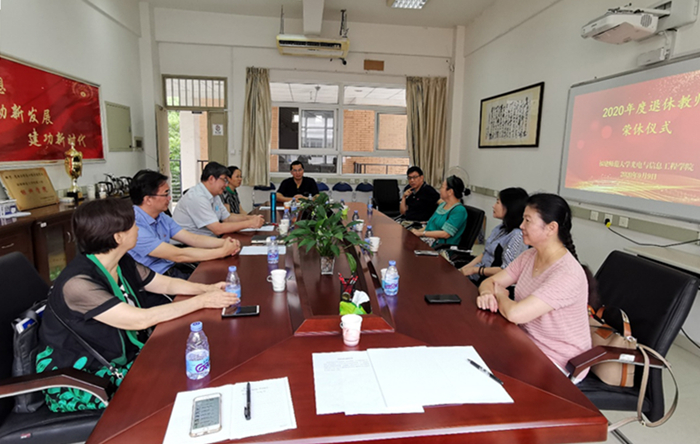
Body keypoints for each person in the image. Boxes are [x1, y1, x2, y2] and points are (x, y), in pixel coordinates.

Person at [35, 199, 238, 412]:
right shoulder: (77, 284)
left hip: (123, 357)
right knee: (180, 380)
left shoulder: (120, 261)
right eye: (133, 225)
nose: (138, 229)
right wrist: (202, 301)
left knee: (199, 363)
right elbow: (140, 320)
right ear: (118, 237)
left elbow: (164, 283)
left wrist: (207, 289)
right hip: (86, 377)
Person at [475, 193, 592, 380]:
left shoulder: (567, 273)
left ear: (551, 228)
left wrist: (500, 295)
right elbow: (489, 282)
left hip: (557, 361)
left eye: (528, 220)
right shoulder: (530, 256)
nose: (521, 226)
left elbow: (515, 314)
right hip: (524, 342)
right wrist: (488, 294)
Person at [129, 169, 240, 278]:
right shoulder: (134, 225)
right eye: (165, 194)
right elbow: (177, 255)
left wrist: (225, 242)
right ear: (148, 199)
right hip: (156, 279)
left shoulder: (161, 216)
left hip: (171, 267)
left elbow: (193, 239)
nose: (169, 198)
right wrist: (222, 252)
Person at [173, 162, 264, 237]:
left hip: (207, 240)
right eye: (224, 180)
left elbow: (228, 218)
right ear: (211, 179)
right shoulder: (197, 197)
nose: (226, 184)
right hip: (188, 246)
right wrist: (249, 223)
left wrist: (250, 218)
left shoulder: (214, 195)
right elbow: (217, 229)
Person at [461, 187, 529, 283]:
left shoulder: (517, 236)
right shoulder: (501, 228)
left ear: (510, 207)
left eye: (497, 202)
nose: (493, 206)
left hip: (490, 282)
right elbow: (485, 253)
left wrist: (475, 270)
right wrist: (464, 269)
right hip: (478, 274)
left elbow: (508, 271)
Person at [410, 176, 468, 247]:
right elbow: (430, 225)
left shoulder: (459, 210)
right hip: (428, 241)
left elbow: (445, 234)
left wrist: (421, 234)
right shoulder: (442, 205)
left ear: (450, 192)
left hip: (440, 247)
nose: (440, 190)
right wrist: (417, 232)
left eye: (442, 187)